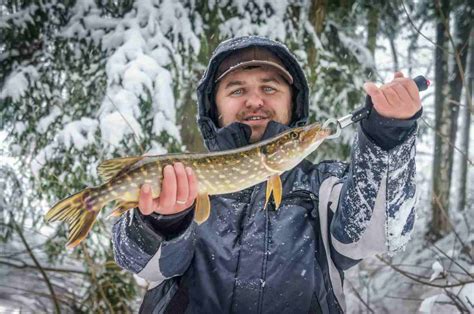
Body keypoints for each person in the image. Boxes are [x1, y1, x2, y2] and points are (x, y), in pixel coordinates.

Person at [112, 36, 421, 313]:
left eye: (269, 88)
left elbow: (380, 232)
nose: (255, 100)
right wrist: (164, 222)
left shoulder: (326, 186)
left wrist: (387, 135)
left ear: (292, 102)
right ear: (213, 106)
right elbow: (140, 262)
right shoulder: (185, 179)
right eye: (237, 89)